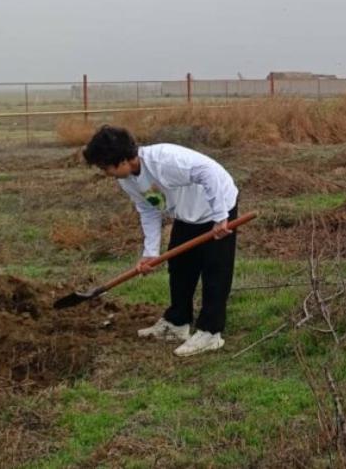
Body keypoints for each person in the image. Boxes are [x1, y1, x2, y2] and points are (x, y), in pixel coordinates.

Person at [82, 125, 239, 357]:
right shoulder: (128, 179)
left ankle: (210, 332)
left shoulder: (165, 161)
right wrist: (150, 252)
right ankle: (177, 322)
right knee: (179, 267)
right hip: (186, 215)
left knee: (216, 271)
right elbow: (149, 209)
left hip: (217, 207)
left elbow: (209, 172)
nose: (106, 172)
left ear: (123, 159)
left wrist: (220, 216)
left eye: (106, 166)